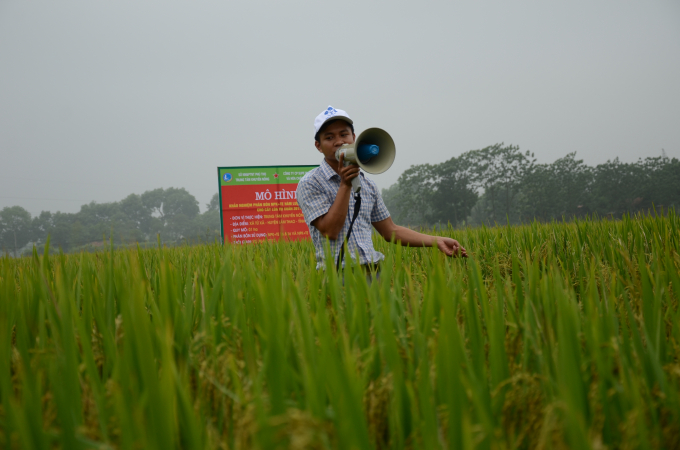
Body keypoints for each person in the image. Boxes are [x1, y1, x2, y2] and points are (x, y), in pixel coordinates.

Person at [296, 106, 468, 275]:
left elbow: (390, 231)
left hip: (373, 271)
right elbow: (329, 231)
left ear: (354, 138)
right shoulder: (311, 183)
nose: (339, 141)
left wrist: (436, 241)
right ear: (318, 146)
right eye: (329, 137)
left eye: (344, 134)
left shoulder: (368, 185)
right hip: (336, 276)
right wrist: (345, 185)